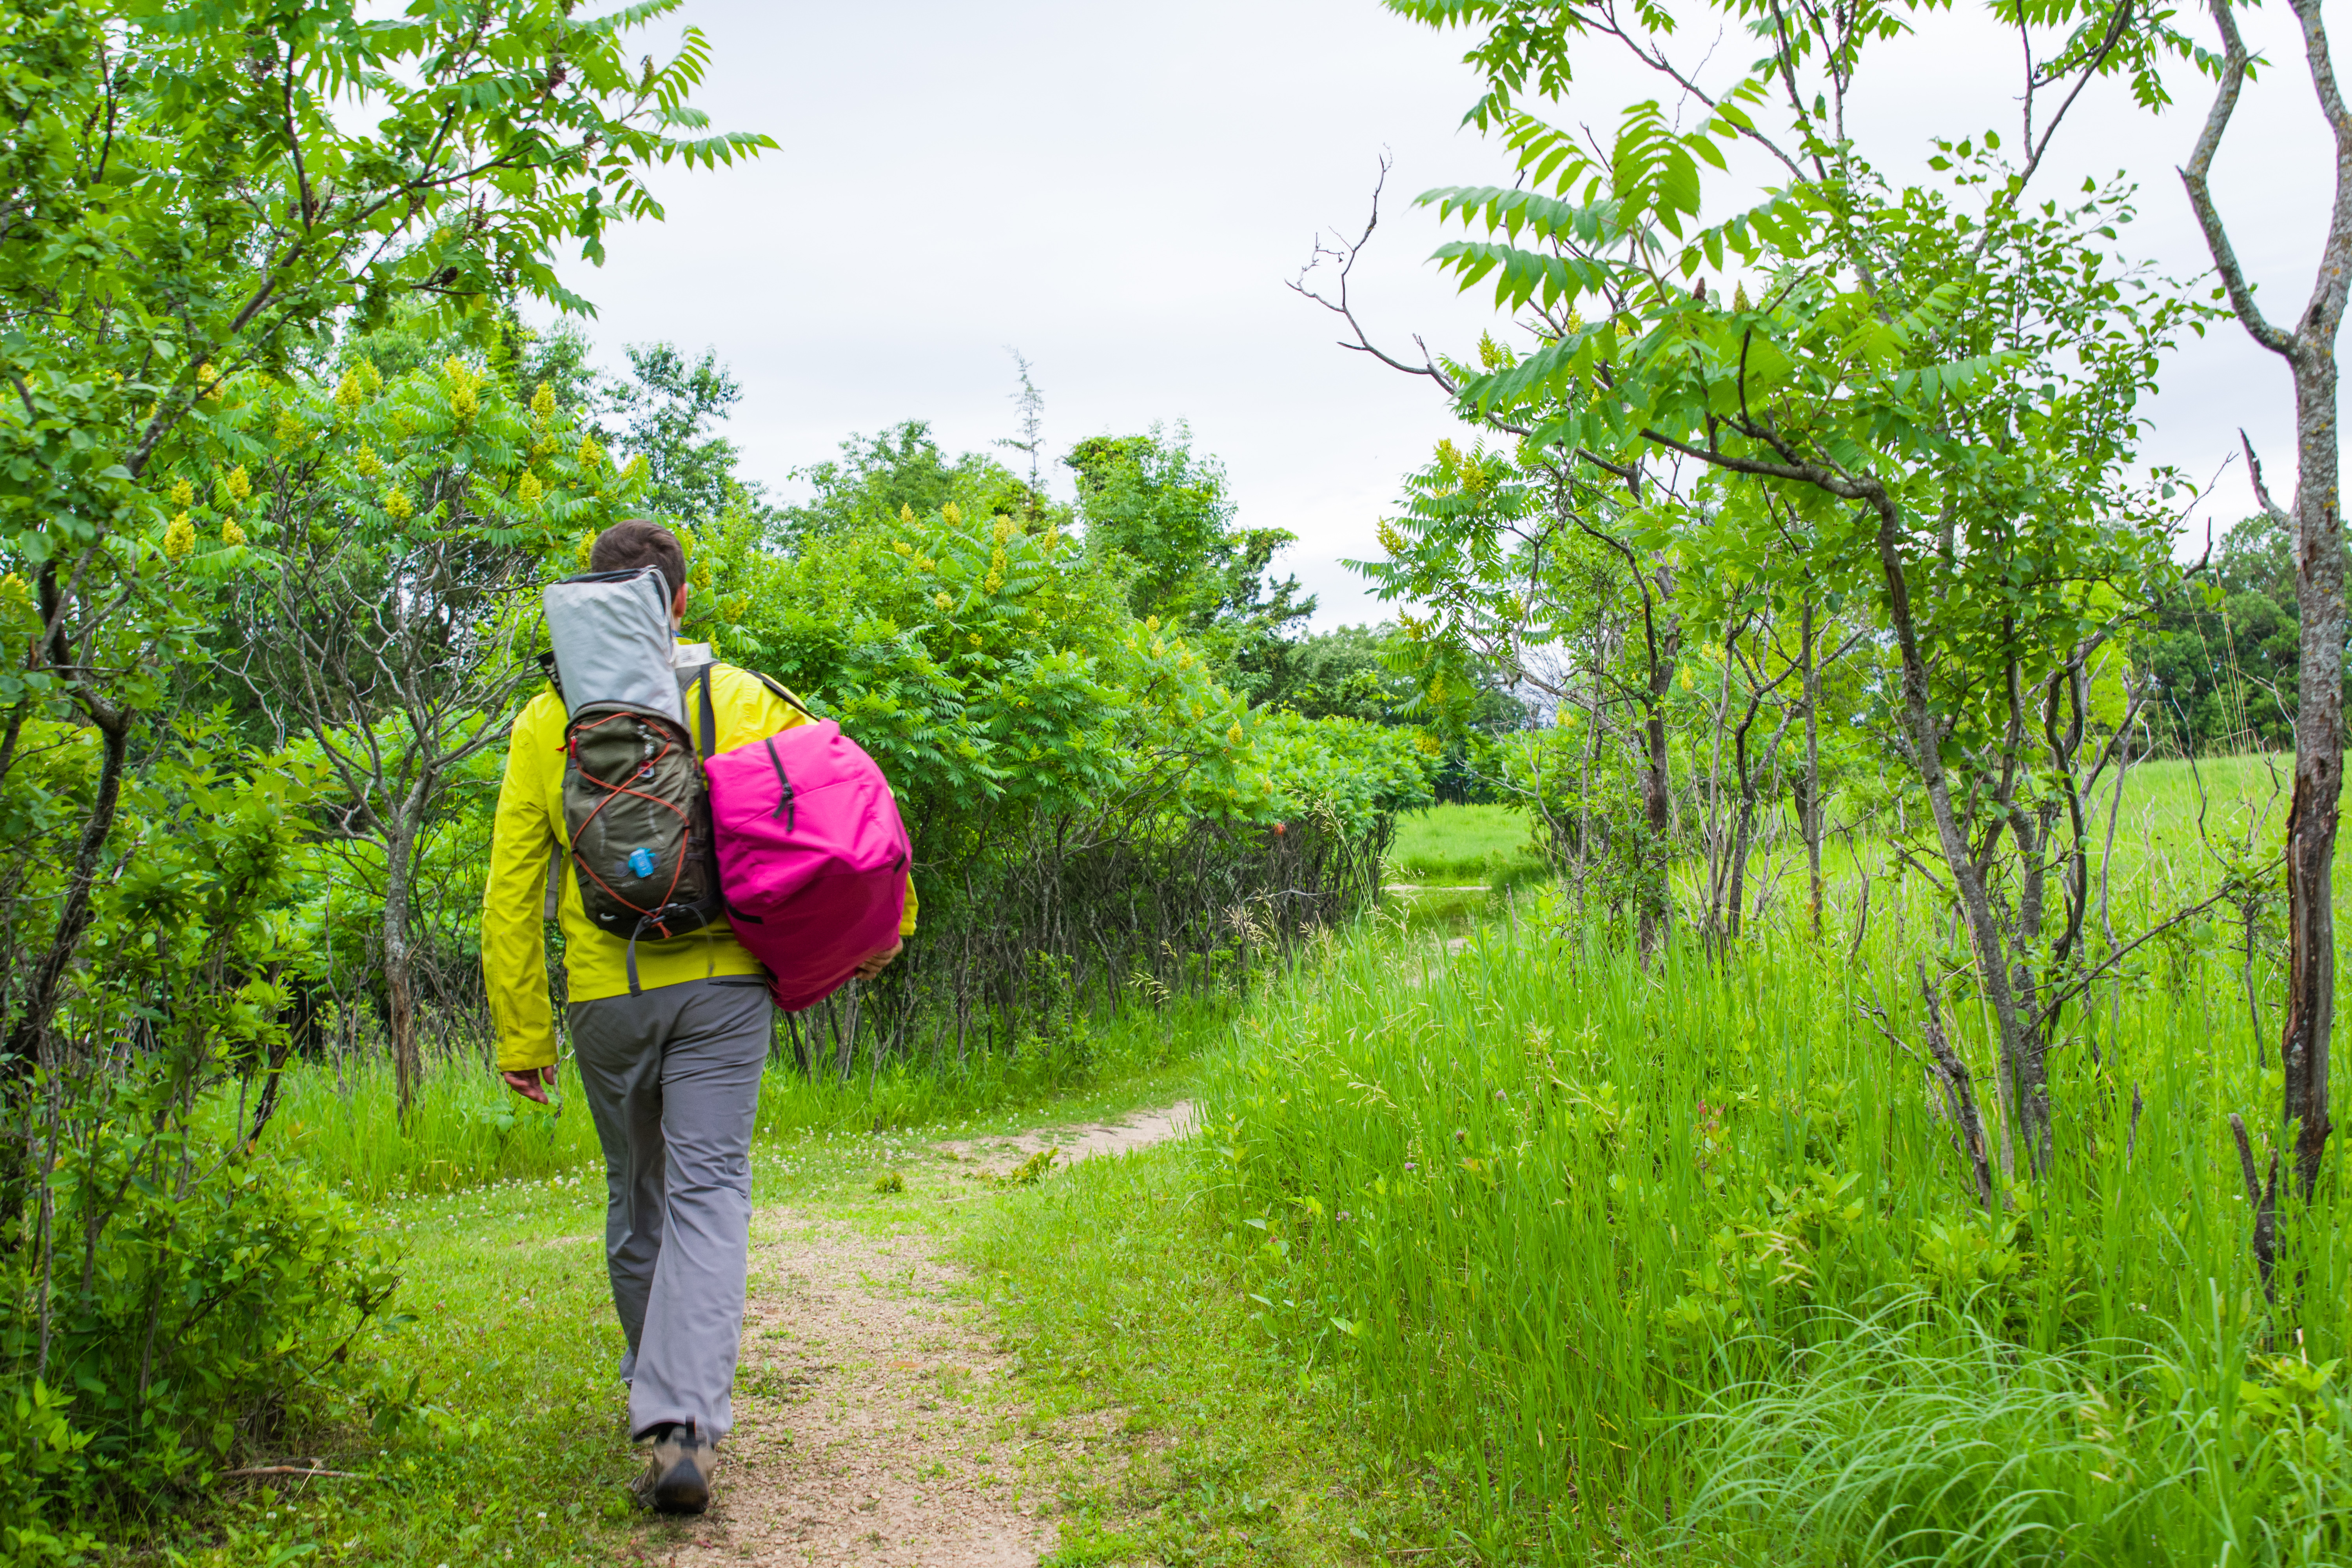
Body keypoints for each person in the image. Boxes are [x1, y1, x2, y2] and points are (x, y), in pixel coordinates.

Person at [480, 519, 913, 1515]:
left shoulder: (546, 720)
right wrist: (888, 924)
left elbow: (513, 887)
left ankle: (656, 1399)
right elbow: (856, 805)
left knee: (638, 1195)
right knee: (709, 1190)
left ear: (597, 602)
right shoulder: (742, 693)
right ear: (678, 602)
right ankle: (682, 1423)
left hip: (604, 996)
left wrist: (522, 1031)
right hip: (724, 988)